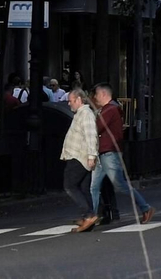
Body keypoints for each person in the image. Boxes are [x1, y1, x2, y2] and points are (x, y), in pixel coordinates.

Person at [88, 83, 156, 228]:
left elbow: (97, 127)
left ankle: (145, 207)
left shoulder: (109, 110)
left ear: (104, 95)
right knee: (94, 186)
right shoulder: (109, 110)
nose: (95, 98)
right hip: (103, 152)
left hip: (109, 152)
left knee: (120, 185)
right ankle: (91, 216)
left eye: (97, 95)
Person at [61, 89, 100, 233]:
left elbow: (91, 136)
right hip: (81, 156)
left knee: (70, 186)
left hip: (79, 157)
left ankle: (89, 215)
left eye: (71, 100)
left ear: (78, 99)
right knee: (84, 188)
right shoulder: (81, 114)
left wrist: (91, 156)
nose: (69, 103)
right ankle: (89, 219)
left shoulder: (86, 114)